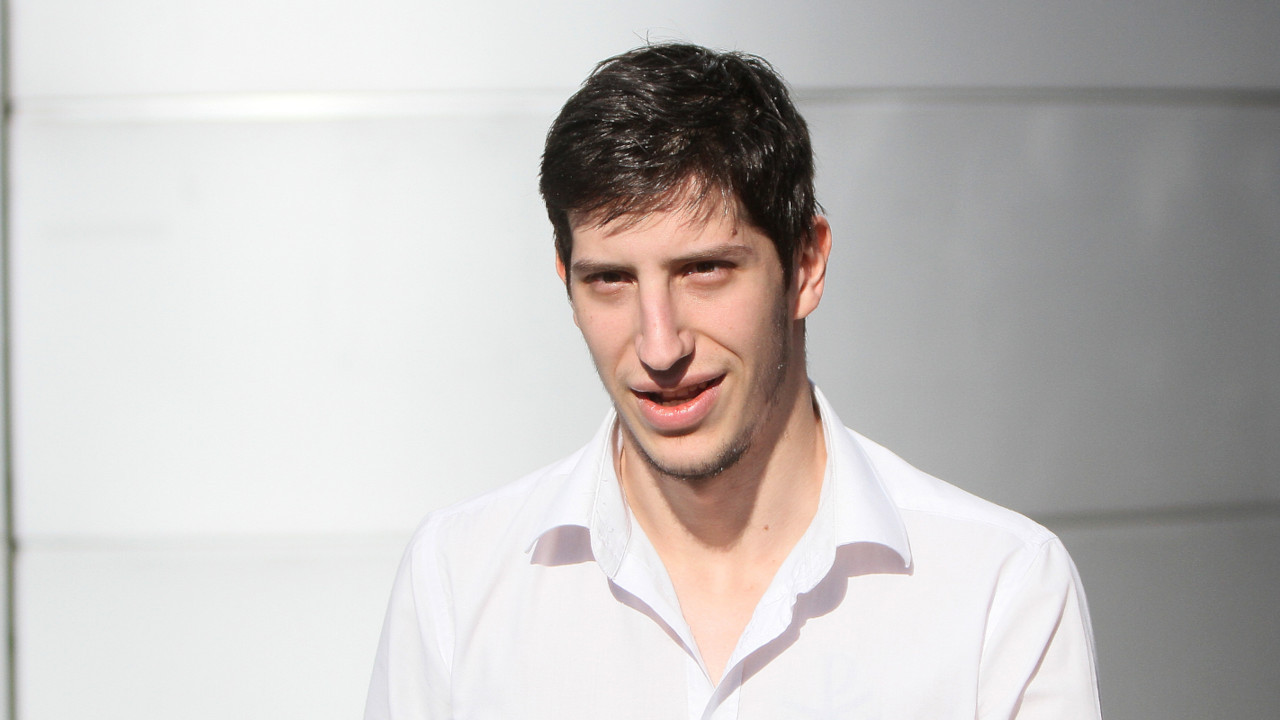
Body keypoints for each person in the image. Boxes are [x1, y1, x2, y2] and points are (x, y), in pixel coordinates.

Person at [365, 43, 1101, 719]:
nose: (659, 346)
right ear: (566, 281)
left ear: (805, 265)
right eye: (611, 280)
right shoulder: (458, 579)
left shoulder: (997, 591)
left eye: (704, 270)